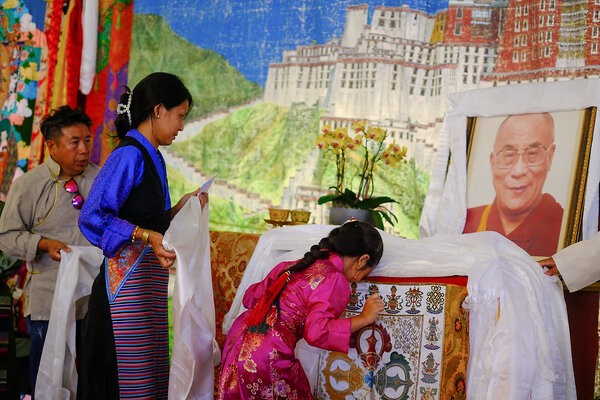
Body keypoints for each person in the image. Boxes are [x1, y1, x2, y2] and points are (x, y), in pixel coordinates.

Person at [77, 72, 208, 399]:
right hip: (122, 290)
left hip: (146, 289)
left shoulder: (154, 156)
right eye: (180, 116)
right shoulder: (128, 155)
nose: (181, 126)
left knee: (148, 379)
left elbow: (146, 218)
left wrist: (179, 208)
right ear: (158, 110)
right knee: (123, 383)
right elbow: (92, 217)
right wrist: (145, 235)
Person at [217, 220, 385, 400]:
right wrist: (364, 318)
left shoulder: (294, 265)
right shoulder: (334, 279)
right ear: (362, 260)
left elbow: (250, 297)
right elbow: (316, 332)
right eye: (366, 273)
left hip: (237, 338)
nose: (360, 279)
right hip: (267, 352)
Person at [0, 105, 99, 397]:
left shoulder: (101, 180)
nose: (84, 149)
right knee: (49, 378)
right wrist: (44, 244)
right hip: (48, 299)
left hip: (92, 300)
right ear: (52, 146)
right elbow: (6, 237)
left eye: (87, 140)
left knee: (91, 377)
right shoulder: (29, 186)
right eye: (74, 142)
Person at [463, 112, 563, 256]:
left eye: (532, 154)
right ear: (493, 162)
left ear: (550, 157)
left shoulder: (566, 229)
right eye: (508, 155)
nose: (518, 171)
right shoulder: (465, 221)